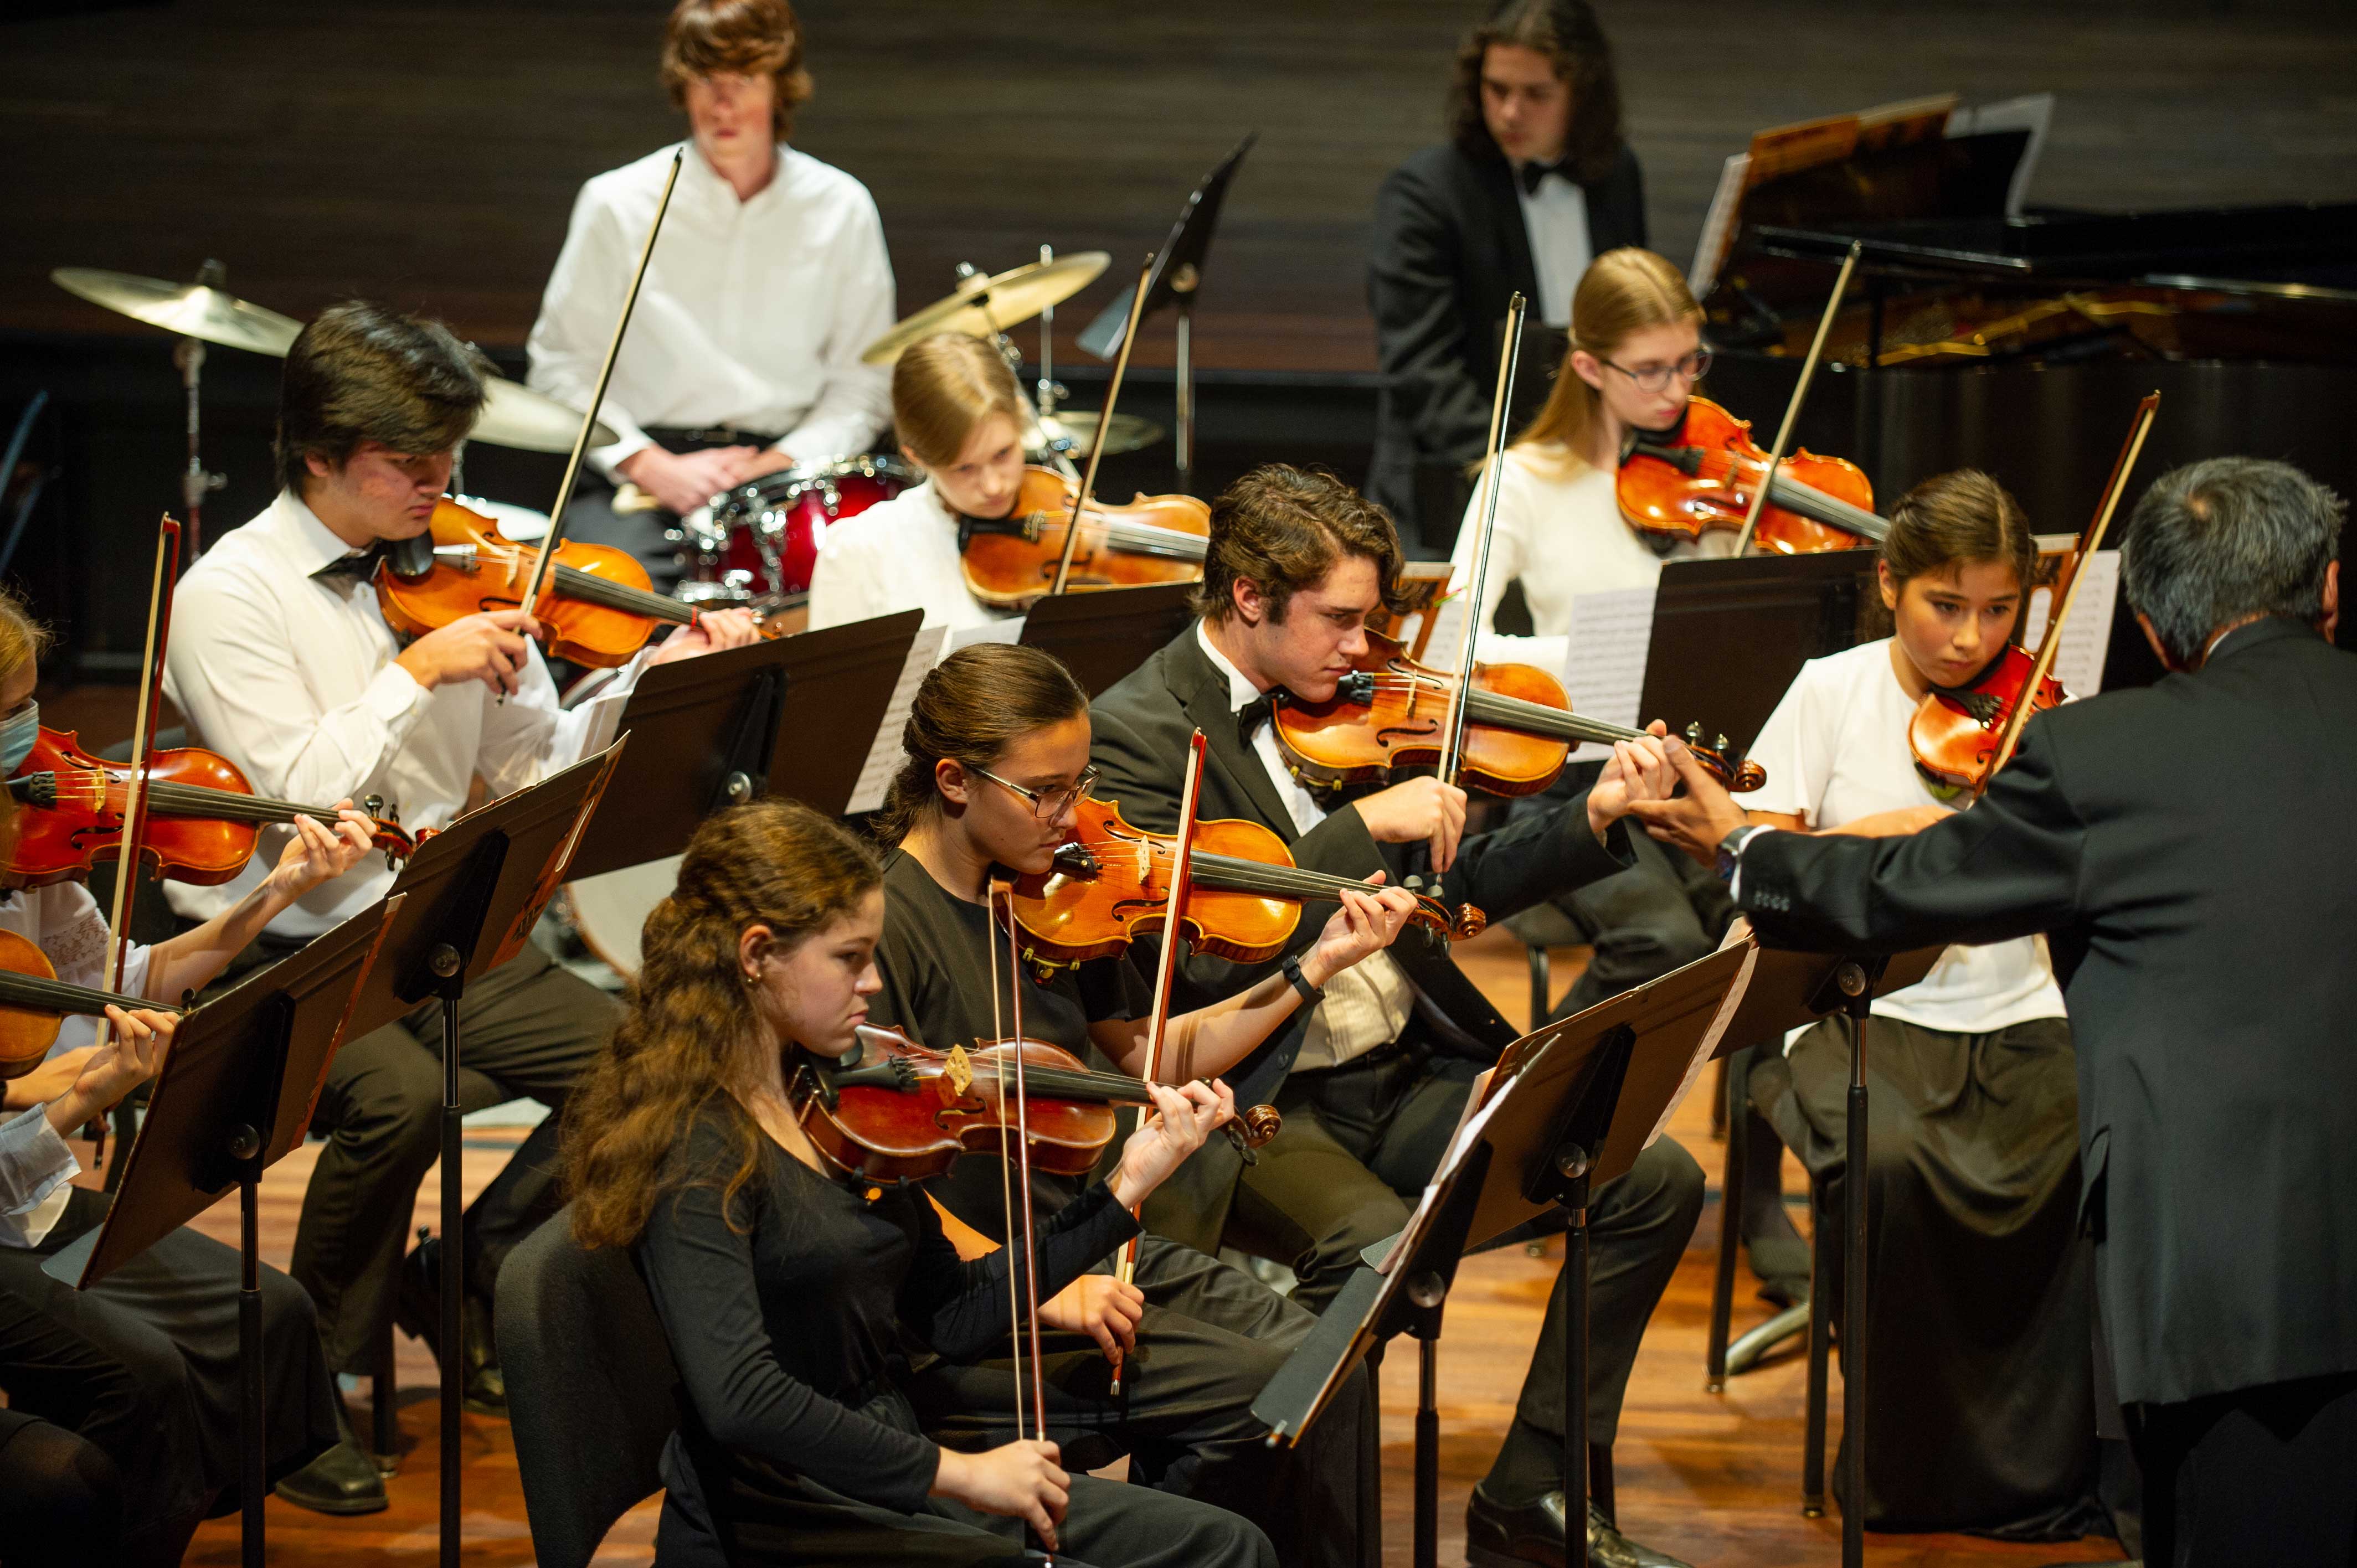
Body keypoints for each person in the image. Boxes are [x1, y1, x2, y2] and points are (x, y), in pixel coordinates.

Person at [1635, 457, 2357, 1567]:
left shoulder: (2102, 752)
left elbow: (1902, 890)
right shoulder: (1872, 698)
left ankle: (2053, 1465)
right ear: (2330, 589)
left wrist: (1739, 850)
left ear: (2153, 621)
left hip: (2228, 1257)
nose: (1970, 638)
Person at [1089, 463, 1698, 1568]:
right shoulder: (1135, 731)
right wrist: (1359, 825)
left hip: (1397, 1068)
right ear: (1245, 599)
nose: (1362, 650)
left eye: (1370, 621)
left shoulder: (1350, 711)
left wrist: (1592, 818)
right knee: (1372, 1253)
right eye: (1338, 620)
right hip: (1254, 1098)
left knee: (1648, 1178)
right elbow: (1190, 957)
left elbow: (1447, 902)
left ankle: (1531, 1494)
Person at [164, 301, 761, 1417]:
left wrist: (653, 681)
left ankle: (468, 1269)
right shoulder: (225, 598)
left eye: (451, 455)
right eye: (409, 464)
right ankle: (312, 1383)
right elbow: (301, 795)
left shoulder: (454, 565)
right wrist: (415, 673)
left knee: (658, 1066)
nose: (442, 483)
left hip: (439, 919)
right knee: (400, 1104)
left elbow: (535, 766)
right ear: (319, 456)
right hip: (296, 945)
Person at [562, 796, 1277, 1567]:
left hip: (885, 1457)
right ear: (756, 954)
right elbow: (741, 1402)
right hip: (789, 1511)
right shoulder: (695, 1144)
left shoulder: (836, 1100)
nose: (873, 983)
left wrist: (1121, 1195)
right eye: (849, 958)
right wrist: (962, 1473)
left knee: (1227, 1545)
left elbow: (952, 1313)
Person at [868, 642, 1417, 1566]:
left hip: (1084, 1235)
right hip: (978, 1299)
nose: (1074, 814)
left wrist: (1309, 967)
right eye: (1044, 790)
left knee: (1332, 1362)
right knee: (1261, 1381)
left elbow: (1151, 1057)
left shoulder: (1046, 898)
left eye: (1078, 782)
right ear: (955, 781)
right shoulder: (881, 928)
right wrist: (1053, 1296)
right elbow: (876, 1189)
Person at [1676, 470, 2103, 1532]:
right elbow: (1752, 855)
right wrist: (1897, 841)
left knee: (2080, 1157)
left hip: (2019, 1007)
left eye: (2000, 610)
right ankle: (1903, 1467)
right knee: (1888, 1164)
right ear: (1888, 584)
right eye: (1944, 606)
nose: (1970, 639)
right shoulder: (1832, 688)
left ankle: (2039, 1473)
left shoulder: (2041, 712)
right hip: (1853, 1009)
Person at [0, 590, 390, 1543]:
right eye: (4, 716)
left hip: (29, 1193)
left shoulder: (34, 853)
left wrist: (278, 891)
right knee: (150, 1379)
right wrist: (70, 1096)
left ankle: (166, 1506)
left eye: (28, 706)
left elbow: (129, 978)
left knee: (273, 1316)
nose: (32, 743)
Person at [527, 0, 896, 585]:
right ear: (682, 87)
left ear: (780, 88)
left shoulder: (840, 205)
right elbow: (561, 367)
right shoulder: (617, 203)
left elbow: (864, 382)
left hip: (790, 473)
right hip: (643, 474)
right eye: (705, 80)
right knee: (592, 604)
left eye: (744, 80)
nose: (723, 105)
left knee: (862, 602)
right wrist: (647, 463)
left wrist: (777, 465)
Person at [1368, 0, 1646, 548]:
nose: (1510, 113)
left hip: (1595, 472)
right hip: (1455, 485)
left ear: (1582, 95)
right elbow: (1423, 374)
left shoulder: (1615, 174)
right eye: (1496, 90)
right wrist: (1535, 471)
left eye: (1535, 94)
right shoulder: (1425, 195)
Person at [808, 332, 1030, 633]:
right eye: (964, 469)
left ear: (1021, 416)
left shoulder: (1070, 510)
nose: (993, 486)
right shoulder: (859, 552)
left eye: (1003, 454)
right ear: (916, 457)